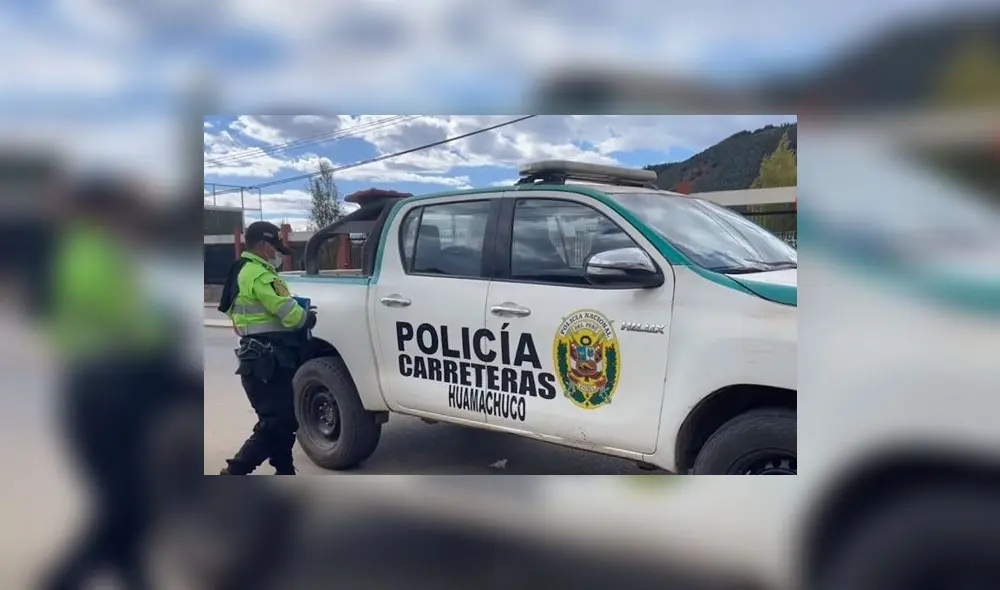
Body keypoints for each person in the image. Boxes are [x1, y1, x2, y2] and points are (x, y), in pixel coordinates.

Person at [42, 176, 198, 590]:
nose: (140, 218)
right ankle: (58, 581)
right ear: (106, 212)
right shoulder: (92, 253)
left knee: (134, 501)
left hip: (108, 386)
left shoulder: (93, 251)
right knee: (127, 504)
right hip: (106, 390)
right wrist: (164, 328)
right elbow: (125, 325)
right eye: (131, 209)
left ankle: (135, 578)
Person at [219, 221, 315, 475]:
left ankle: (285, 471)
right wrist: (307, 317)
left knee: (280, 421)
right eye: (275, 248)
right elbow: (291, 315)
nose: (278, 254)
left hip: (256, 359)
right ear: (264, 245)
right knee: (277, 423)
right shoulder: (262, 275)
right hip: (271, 360)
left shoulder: (239, 270)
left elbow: (233, 315)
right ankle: (234, 472)